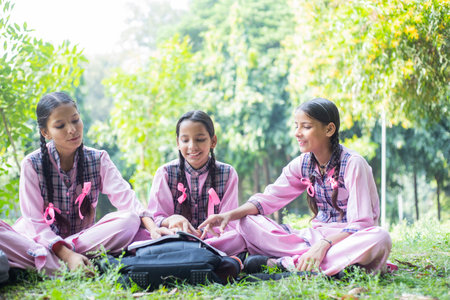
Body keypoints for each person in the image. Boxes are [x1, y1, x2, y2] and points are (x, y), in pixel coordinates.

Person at [199, 98, 392, 276]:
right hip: (311, 238)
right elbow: (267, 199)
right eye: (296, 126)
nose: (297, 133)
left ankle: (287, 264)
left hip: (345, 240)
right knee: (246, 221)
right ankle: (324, 265)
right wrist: (228, 215)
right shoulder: (302, 164)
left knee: (380, 237)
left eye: (306, 127)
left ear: (329, 129)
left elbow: (361, 225)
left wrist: (324, 245)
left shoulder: (353, 164)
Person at [13, 92, 154, 273]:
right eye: (60, 125)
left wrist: (154, 229)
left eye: (75, 120)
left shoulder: (98, 158)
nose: (72, 129)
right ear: (46, 132)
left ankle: (47, 261)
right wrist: (67, 254)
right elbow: (35, 223)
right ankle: (67, 259)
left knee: (129, 220)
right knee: (10, 234)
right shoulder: (32, 164)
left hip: (82, 240)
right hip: (39, 239)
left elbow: (127, 200)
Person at [135, 110, 246, 257]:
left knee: (237, 238)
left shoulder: (227, 173)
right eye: (185, 140)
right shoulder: (165, 173)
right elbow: (157, 218)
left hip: (214, 240)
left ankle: (192, 253)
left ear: (213, 141)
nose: (192, 146)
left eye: (200, 139)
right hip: (173, 238)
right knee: (140, 234)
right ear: (177, 143)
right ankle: (203, 254)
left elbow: (229, 222)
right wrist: (171, 221)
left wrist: (205, 234)